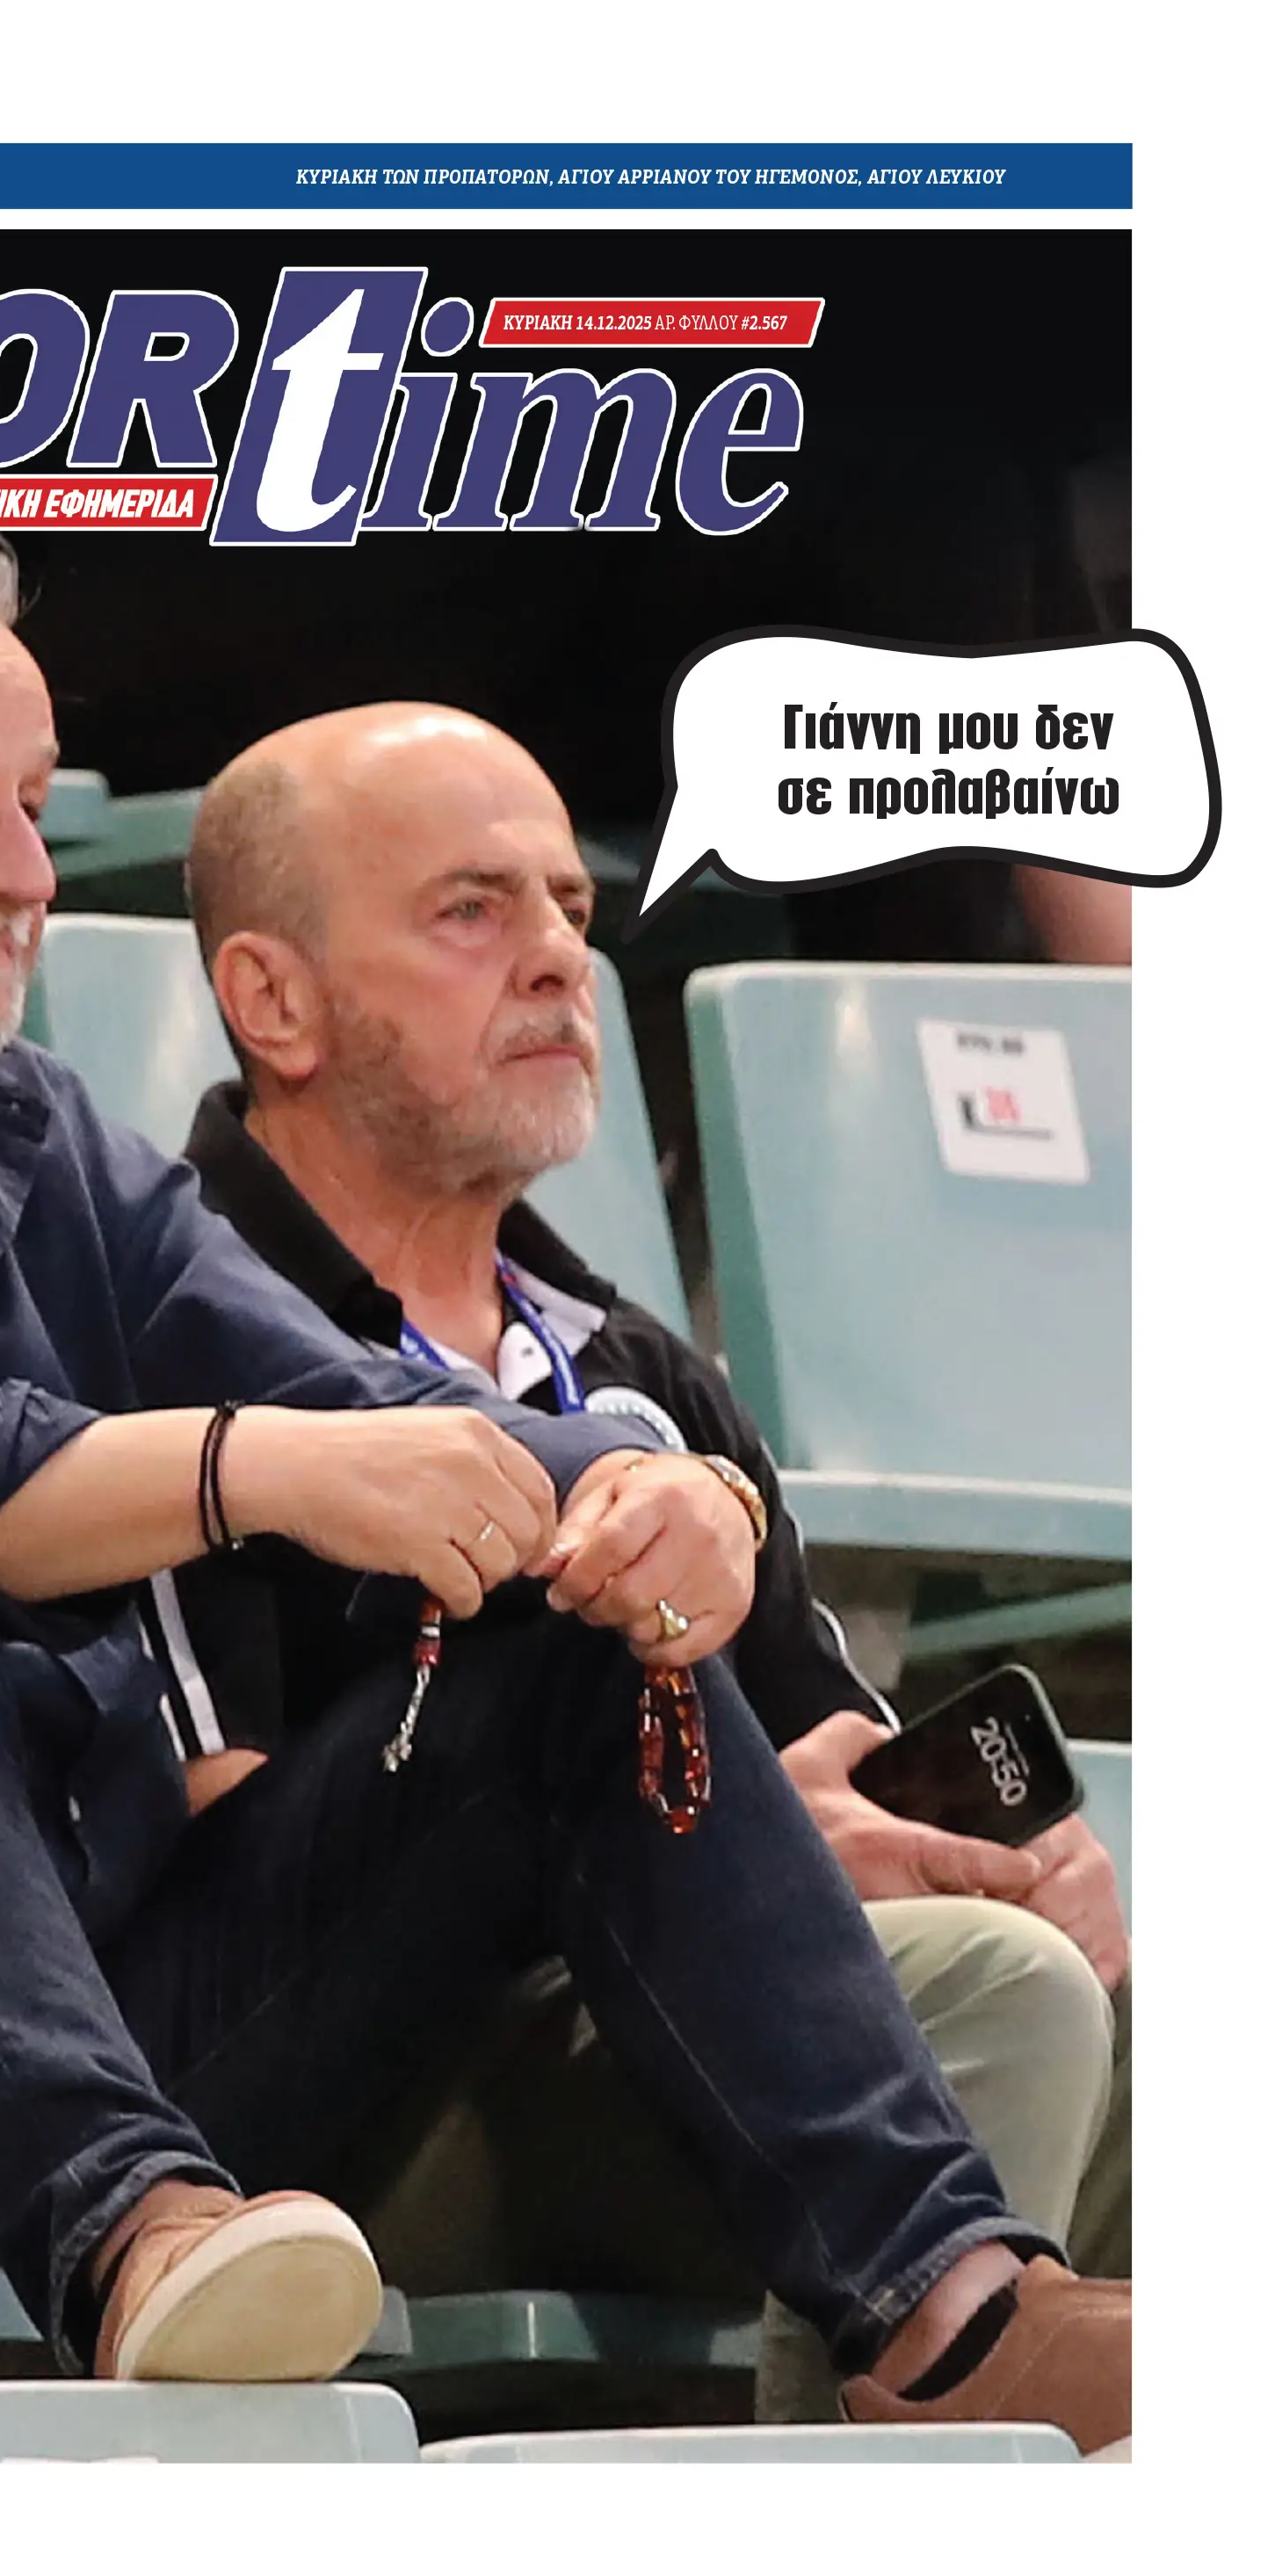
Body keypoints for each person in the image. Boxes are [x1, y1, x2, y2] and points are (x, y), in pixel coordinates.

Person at [0, 533, 1126, 2443]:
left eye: (26, 801)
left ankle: (951, 2312)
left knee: (569, 1643)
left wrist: (659, 1490)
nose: (22, 868)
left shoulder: (29, 1139)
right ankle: (139, 2235)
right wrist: (244, 1469)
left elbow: (374, 1410)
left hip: (22, 2042)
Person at [174, 700, 1131, 2406]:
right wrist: (761, 1859)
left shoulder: (635, 1368)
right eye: (471, 911)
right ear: (273, 998)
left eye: (569, 905)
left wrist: (972, 1851)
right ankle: (925, 2413)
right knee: (992, 2000)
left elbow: (825, 1763)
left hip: (671, 2028)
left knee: (1130, 2006)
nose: (557, 958)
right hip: (348, 2098)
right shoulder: (170, 1329)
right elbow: (215, 1883)